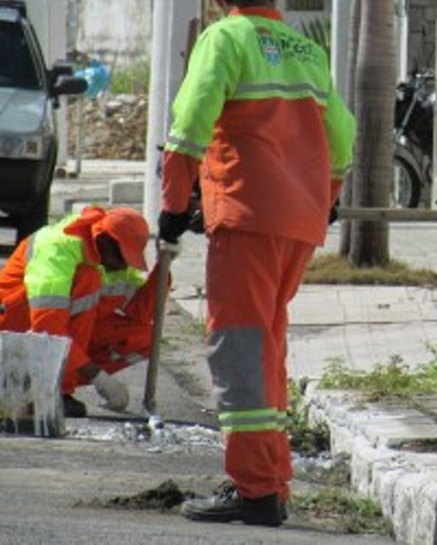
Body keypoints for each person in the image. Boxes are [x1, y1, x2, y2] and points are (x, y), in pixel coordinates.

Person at [158, 0, 355, 528]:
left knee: (240, 347)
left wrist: (174, 205)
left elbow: (190, 123)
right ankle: (271, 478)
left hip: (247, 210)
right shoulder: (307, 50)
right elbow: (342, 133)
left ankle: (255, 490)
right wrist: (328, 194)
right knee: (266, 346)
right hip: (299, 222)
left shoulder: (226, 38)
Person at [0, 205, 160, 418]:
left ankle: (51, 385)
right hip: (11, 329)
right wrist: (99, 377)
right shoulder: (56, 248)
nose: (123, 267)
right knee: (87, 278)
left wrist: (163, 269)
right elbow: (46, 325)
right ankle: (54, 390)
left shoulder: (105, 254)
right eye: (122, 258)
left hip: (47, 334)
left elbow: (140, 312)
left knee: (145, 337)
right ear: (104, 240)